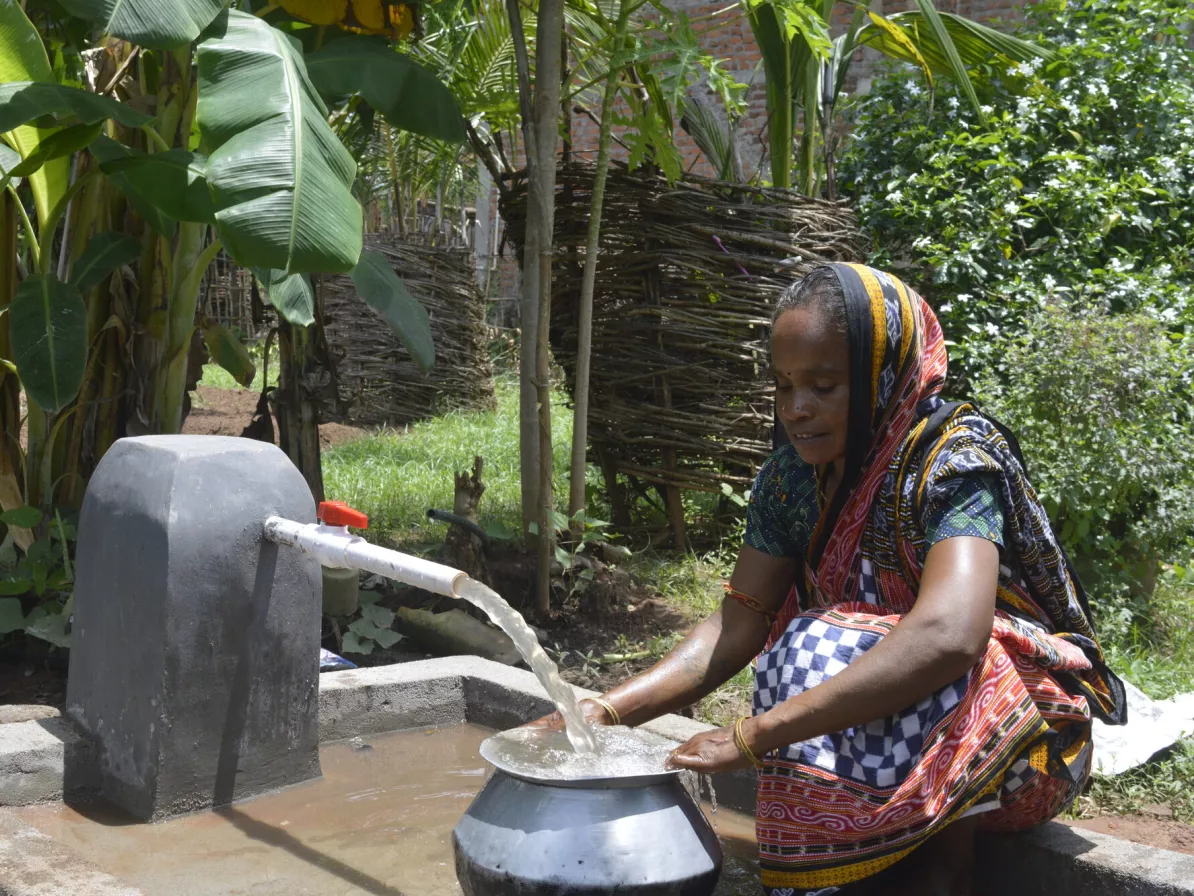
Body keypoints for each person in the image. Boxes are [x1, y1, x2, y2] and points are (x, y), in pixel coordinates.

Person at [529, 263, 1126, 896]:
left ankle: (944, 867)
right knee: (807, 645)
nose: (797, 409)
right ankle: (847, 866)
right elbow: (738, 623)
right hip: (878, 735)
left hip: (1024, 752)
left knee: (817, 645)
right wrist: (602, 710)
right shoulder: (794, 479)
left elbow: (953, 634)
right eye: (784, 387)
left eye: (823, 385)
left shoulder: (952, 462)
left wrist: (757, 734)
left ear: (882, 376)